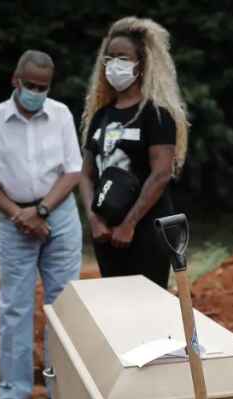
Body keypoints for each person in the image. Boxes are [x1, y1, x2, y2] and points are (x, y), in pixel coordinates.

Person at [0, 50, 84, 399]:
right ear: (15, 81)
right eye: (30, 84)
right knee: (15, 306)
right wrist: (20, 214)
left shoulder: (61, 114)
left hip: (59, 215)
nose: (36, 91)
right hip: (13, 218)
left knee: (62, 305)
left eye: (43, 86)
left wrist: (42, 210)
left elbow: (73, 171)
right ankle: (14, 391)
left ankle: (61, 391)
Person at [79, 16, 189, 289]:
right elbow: (85, 173)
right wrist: (94, 219)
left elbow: (161, 174)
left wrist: (129, 224)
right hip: (106, 232)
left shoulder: (156, 115)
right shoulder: (100, 116)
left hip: (145, 230)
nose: (114, 64)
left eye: (123, 57)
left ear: (141, 65)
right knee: (116, 309)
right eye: (110, 58)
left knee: (148, 311)